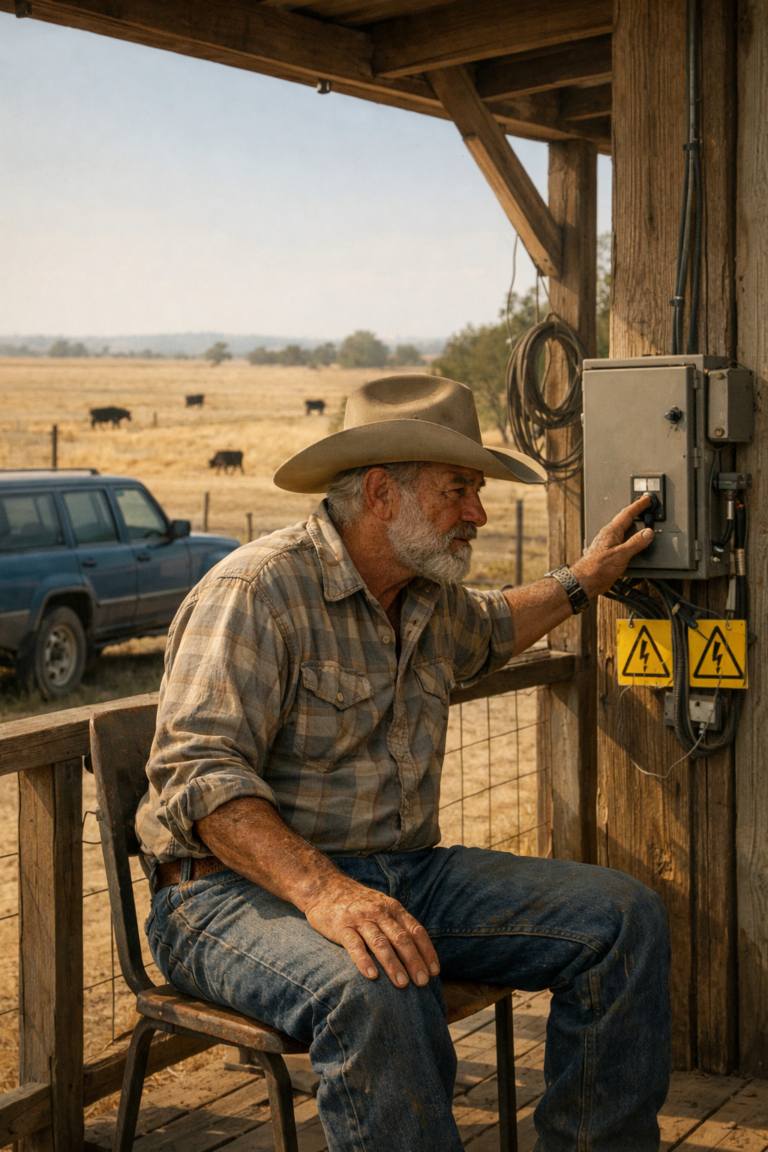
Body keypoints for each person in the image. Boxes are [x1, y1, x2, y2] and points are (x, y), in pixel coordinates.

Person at [137, 375, 670, 1152]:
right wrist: (325, 893)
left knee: (622, 918)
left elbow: (492, 629)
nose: (478, 513)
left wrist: (583, 581)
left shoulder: (424, 595)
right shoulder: (258, 590)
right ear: (382, 493)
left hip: (401, 875)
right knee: (378, 984)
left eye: (477, 492)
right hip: (226, 895)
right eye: (459, 490)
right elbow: (198, 775)